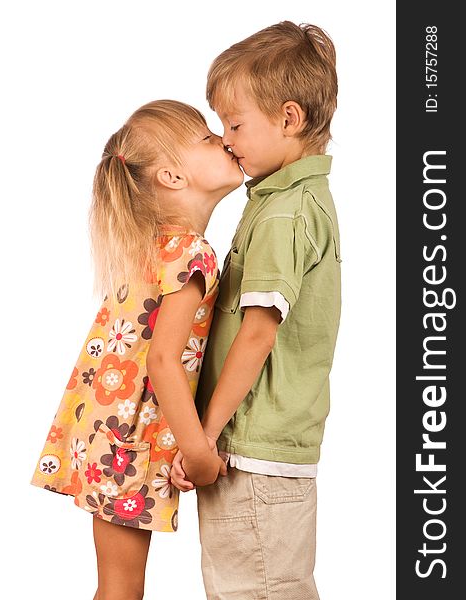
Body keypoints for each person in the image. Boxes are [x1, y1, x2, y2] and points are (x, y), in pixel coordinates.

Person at [30, 99, 243, 600]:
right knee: (122, 589)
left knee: (116, 585)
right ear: (171, 176)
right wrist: (199, 453)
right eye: (210, 138)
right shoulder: (192, 253)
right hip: (128, 444)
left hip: (103, 432)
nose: (225, 140)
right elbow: (163, 360)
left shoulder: (152, 246)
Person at [173, 21, 341, 599]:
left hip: (251, 451)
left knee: (254, 589)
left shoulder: (282, 216)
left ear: (289, 118)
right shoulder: (295, 200)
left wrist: (204, 435)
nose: (226, 139)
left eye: (234, 124)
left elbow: (256, 336)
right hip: (268, 452)